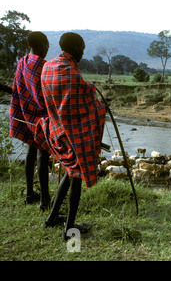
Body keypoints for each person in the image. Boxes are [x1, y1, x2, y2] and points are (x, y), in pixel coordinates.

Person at [34, 32, 106, 239]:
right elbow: (84, 103)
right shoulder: (72, 75)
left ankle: (52, 218)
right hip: (72, 135)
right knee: (77, 178)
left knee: (70, 171)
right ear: (75, 49)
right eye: (82, 48)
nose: (83, 52)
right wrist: (101, 107)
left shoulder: (49, 66)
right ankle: (69, 230)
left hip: (54, 131)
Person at [9, 31, 51, 211]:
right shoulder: (43, 65)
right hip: (40, 116)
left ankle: (29, 193)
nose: (47, 49)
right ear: (43, 45)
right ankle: (44, 199)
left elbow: (17, 87)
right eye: (47, 45)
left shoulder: (23, 61)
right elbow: (47, 93)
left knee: (30, 152)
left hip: (26, 113)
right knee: (43, 155)